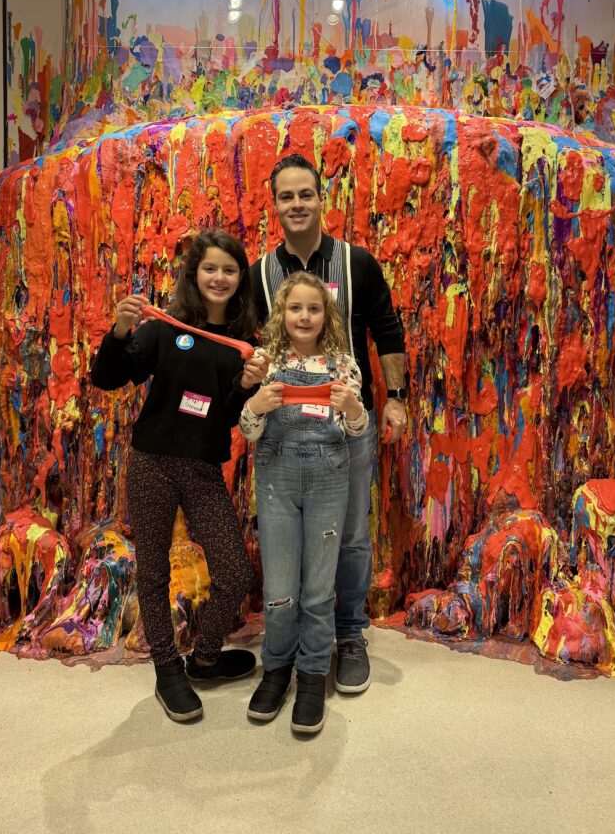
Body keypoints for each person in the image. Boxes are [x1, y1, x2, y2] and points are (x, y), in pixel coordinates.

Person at [91, 229, 268, 723]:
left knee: (234, 571)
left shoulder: (242, 345)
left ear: (241, 280)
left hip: (203, 468)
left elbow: (229, 414)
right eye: (210, 268)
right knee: (153, 568)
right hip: (152, 461)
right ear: (194, 274)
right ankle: (167, 669)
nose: (219, 277)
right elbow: (109, 377)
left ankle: (205, 658)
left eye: (229, 270)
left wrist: (248, 387)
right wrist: (121, 331)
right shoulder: (166, 328)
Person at [250, 153, 407, 695]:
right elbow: (252, 347)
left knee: (353, 538)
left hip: (347, 428)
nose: (296, 205)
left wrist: (397, 398)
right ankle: (288, 647)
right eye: (286, 197)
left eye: (305, 194)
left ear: (322, 199)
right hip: (285, 437)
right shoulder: (259, 274)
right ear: (275, 205)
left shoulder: (357, 263)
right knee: (290, 545)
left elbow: (387, 330)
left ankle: (349, 634)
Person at [240, 272, 369, 734]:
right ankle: (276, 668)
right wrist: (256, 405)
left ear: (326, 314)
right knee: (279, 588)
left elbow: (356, 431)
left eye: (314, 308)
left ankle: (313, 672)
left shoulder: (343, 365)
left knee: (317, 588)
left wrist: (354, 410)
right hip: (276, 478)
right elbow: (248, 431)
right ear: (282, 313)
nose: (305, 316)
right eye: (296, 308)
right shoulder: (267, 363)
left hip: (328, 479)